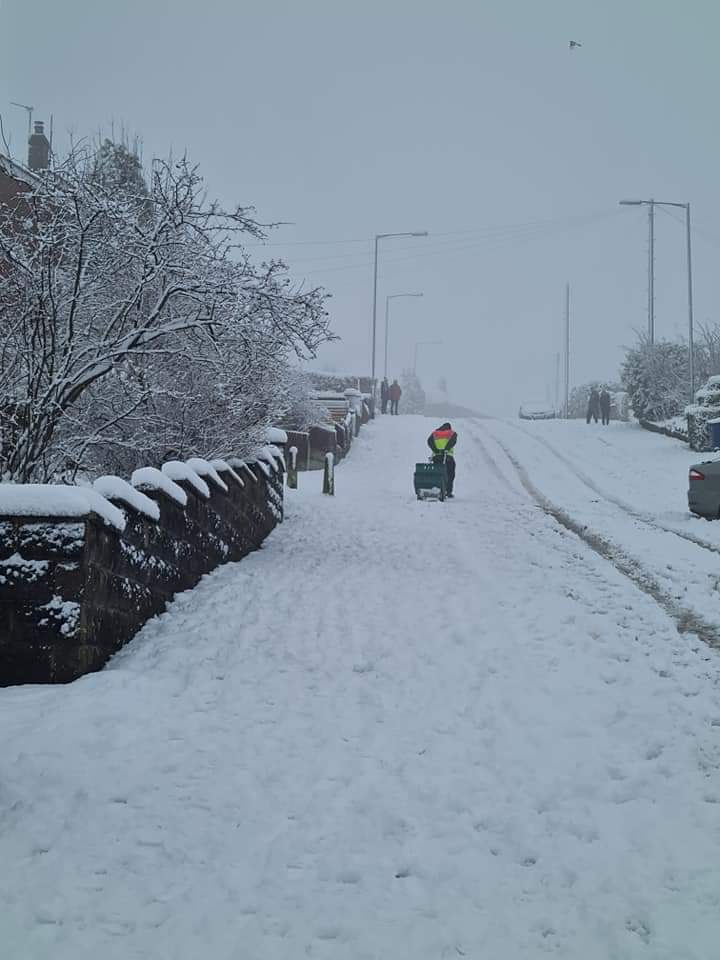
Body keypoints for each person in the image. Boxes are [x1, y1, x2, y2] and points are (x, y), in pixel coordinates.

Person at [427, 421, 458, 497]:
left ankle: (437, 488)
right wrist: (446, 449)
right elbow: (453, 441)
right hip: (447, 457)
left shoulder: (435, 433)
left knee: (437, 473)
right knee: (450, 474)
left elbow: (429, 441)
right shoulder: (451, 433)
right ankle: (448, 491)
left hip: (436, 457)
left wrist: (435, 450)